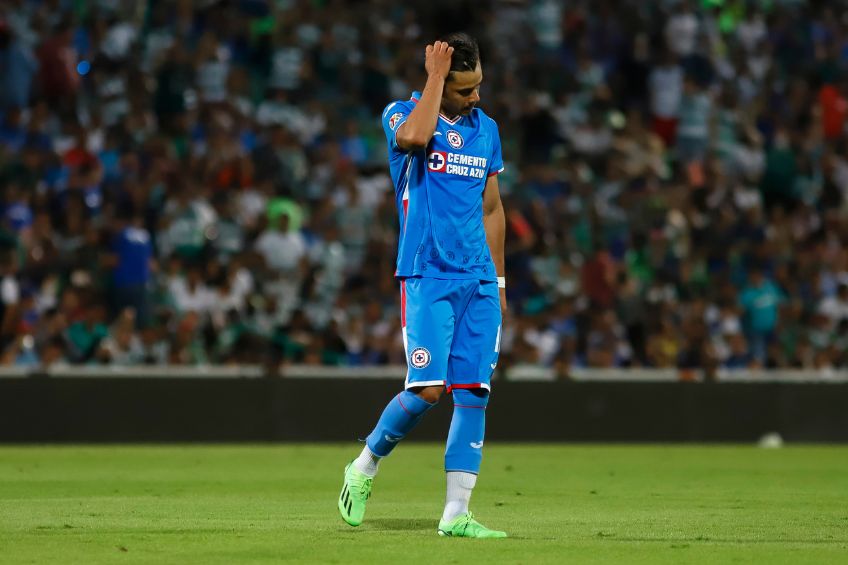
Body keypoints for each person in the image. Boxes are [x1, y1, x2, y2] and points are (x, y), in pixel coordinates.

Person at [337, 33, 507, 538]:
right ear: (438, 81)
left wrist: (497, 278)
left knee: (473, 392)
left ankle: (456, 514)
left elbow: (493, 208)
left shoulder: (487, 130)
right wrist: (434, 79)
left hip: (476, 277)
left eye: (478, 86)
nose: (475, 97)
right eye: (464, 89)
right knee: (429, 390)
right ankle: (365, 464)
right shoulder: (401, 115)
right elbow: (412, 140)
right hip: (428, 271)